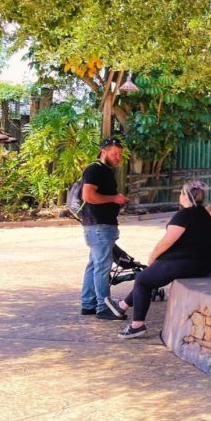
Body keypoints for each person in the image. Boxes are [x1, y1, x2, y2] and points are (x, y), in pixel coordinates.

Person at [105, 181, 211, 339]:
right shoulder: (203, 213)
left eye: (181, 193)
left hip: (188, 262)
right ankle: (122, 306)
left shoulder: (185, 215)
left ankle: (137, 325)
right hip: (204, 263)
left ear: (185, 196)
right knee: (149, 276)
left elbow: (167, 241)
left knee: (143, 279)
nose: (179, 195)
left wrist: (153, 256)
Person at [80, 137, 129, 319]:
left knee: (94, 265)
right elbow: (88, 196)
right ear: (104, 152)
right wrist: (115, 199)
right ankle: (103, 306)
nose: (118, 158)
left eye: (120, 154)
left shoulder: (105, 171)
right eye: (115, 154)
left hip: (99, 224)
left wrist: (118, 200)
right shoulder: (95, 169)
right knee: (102, 266)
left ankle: (88, 303)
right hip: (99, 225)